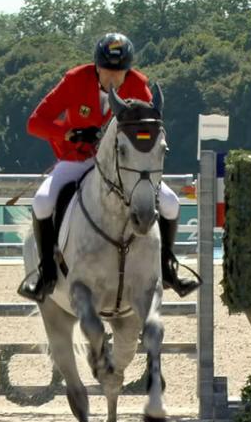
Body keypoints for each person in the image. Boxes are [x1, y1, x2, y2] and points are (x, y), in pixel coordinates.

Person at [18, 32, 200, 302]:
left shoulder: (139, 85)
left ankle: (167, 268)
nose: (114, 78)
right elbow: (36, 122)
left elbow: (149, 129)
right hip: (77, 160)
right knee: (43, 202)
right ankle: (45, 274)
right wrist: (69, 133)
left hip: (122, 168)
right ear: (96, 67)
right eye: (107, 71)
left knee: (171, 203)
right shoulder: (74, 80)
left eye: (120, 72)